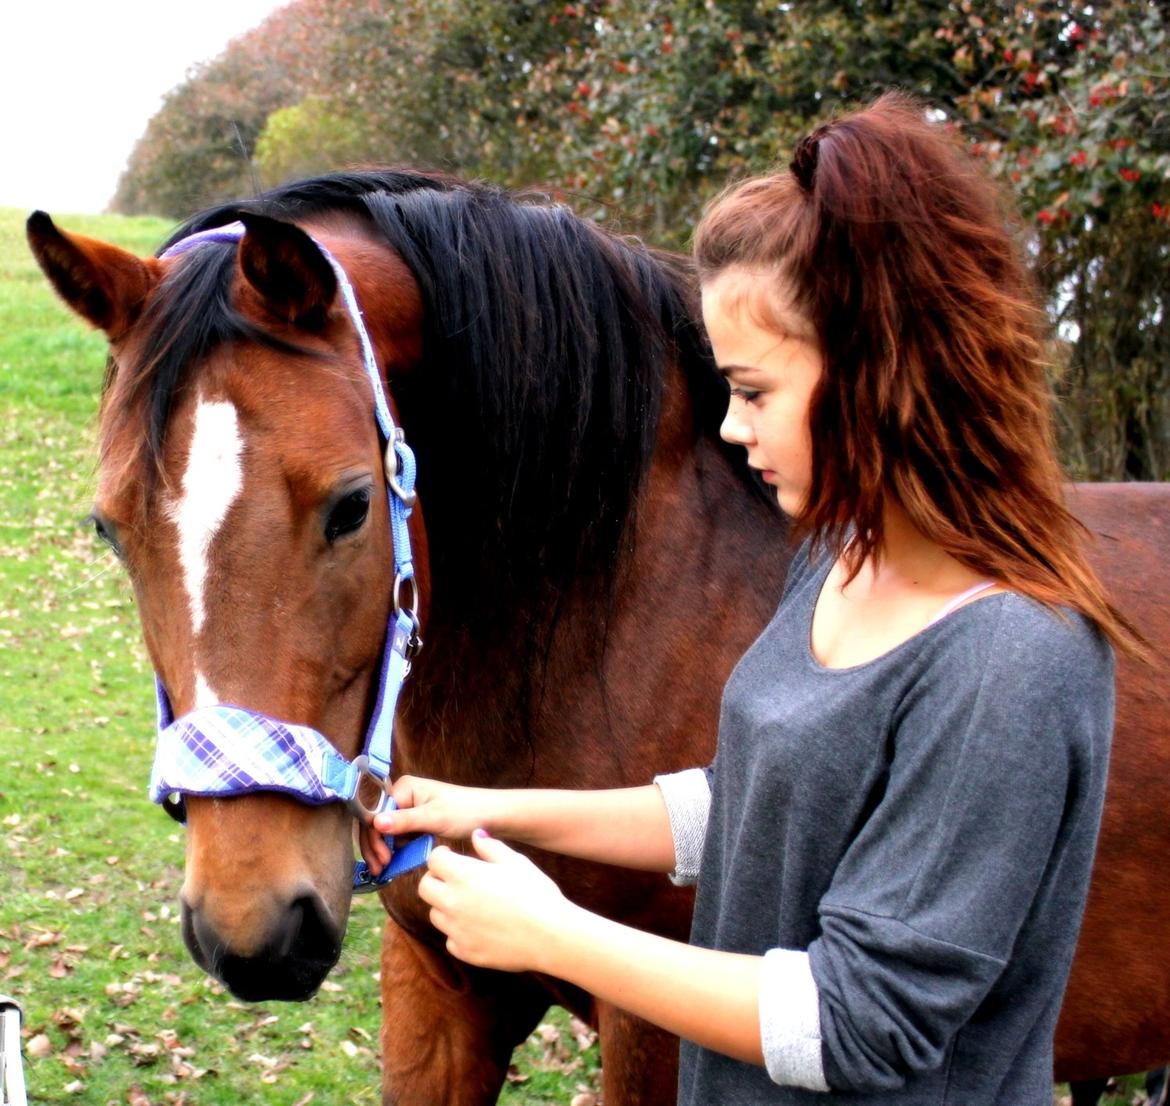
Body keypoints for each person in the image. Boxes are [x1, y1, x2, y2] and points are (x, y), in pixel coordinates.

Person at [360, 92, 1133, 1104]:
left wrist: (555, 936)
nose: (731, 425)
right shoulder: (838, 560)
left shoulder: (1010, 659)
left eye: (756, 390)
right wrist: (492, 807)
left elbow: (863, 1023)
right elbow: (758, 804)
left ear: (881, 369)